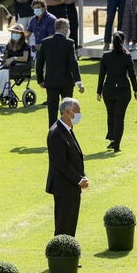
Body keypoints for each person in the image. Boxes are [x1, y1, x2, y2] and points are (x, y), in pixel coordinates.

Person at [45, 98, 87, 237]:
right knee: (64, 225)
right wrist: (78, 180)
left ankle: (70, 253)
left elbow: (75, 157)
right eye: (77, 111)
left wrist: (83, 176)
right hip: (63, 186)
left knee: (71, 223)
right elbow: (61, 163)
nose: (79, 114)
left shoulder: (67, 129)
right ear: (68, 112)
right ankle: (60, 254)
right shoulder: (56, 133)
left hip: (72, 185)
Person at [36, 18, 84, 127]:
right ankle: (67, 133)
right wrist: (78, 82)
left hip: (51, 81)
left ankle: (53, 135)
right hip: (66, 82)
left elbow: (39, 63)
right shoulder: (69, 43)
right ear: (63, 29)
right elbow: (73, 63)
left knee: (52, 111)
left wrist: (40, 80)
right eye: (68, 28)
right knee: (68, 111)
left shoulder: (45, 42)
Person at [97, 31, 137, 153]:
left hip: (108, 89)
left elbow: (101, 75)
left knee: (111, 115)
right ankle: (116, 143)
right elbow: (132, 75)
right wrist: (136, 90)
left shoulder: (106, 56)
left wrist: (98, 91)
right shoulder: (127, 56)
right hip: (123, 90)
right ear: (123, 41)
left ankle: (112, 139)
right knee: (120, 117)